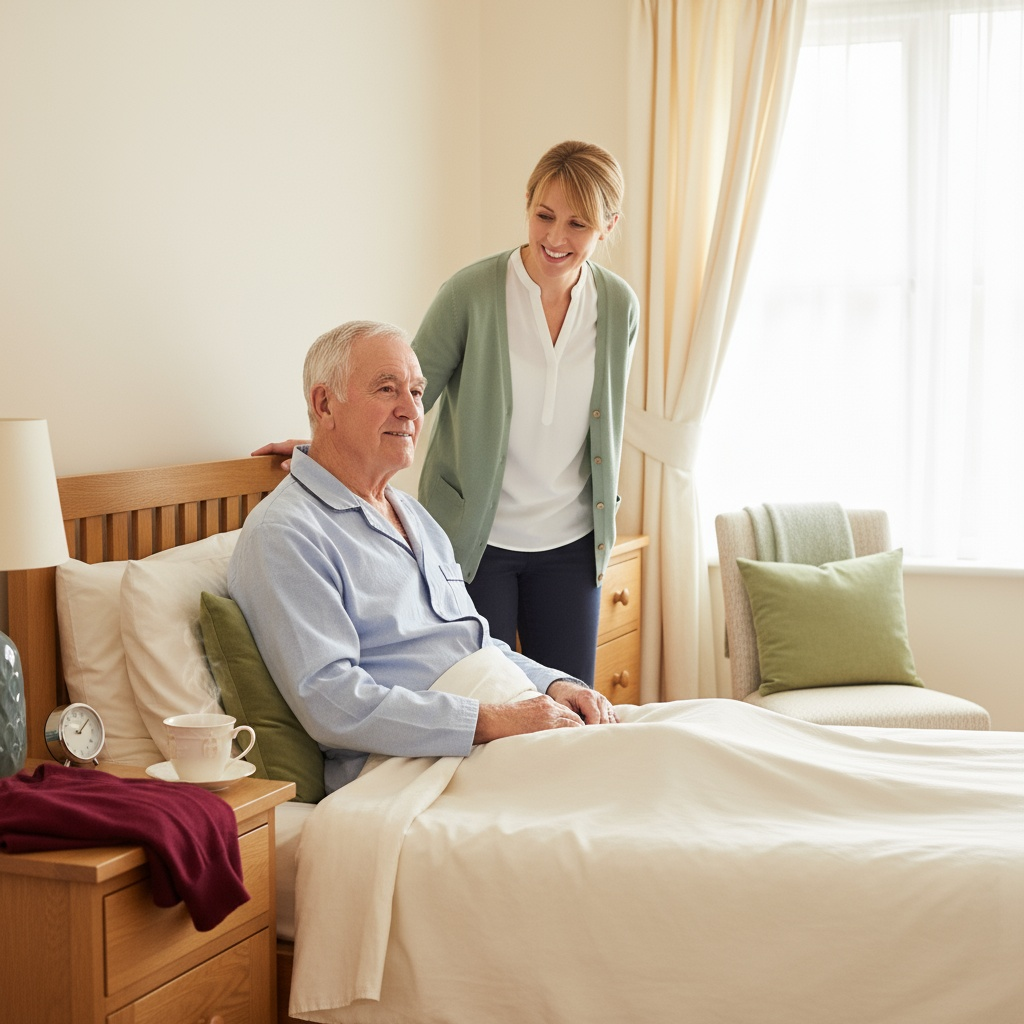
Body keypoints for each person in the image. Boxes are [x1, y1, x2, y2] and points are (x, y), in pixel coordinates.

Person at [254, 140, 639, 688]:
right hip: (478, 541)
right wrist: (320, 446)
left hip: (573, 545)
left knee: (570, 707)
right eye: (544, 215)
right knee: (483, 689)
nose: (556, 238)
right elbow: (408, 393)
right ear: (526, 203)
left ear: (607, 226)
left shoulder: (619, 306)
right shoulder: (473, 293)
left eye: (578, 224)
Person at [231, 321, 618, 796]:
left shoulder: (411, 513)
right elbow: (332, 702)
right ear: (325, 404)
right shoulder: (287, 533)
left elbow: (474, 641)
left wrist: (554, 684)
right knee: (639, 783)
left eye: (416, 391)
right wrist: (494, 720)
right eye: (387, 389)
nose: (411, 409)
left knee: (688, 741)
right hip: (415, 763)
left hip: (498, 720)